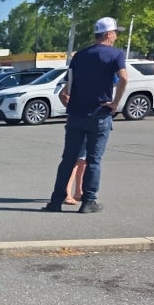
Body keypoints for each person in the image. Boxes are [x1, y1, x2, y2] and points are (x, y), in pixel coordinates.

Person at [43, 17, 129, 214]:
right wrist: (116, 102)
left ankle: (56, 201)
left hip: (76, 115)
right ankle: (89, 201)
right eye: (115, 32)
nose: (116, 36)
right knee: (93, 159)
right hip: (99, 114)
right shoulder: (115, 55)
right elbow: (123, 78)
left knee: (68, 159)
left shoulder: (79, 56)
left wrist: (67, 96)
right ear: (108, 34)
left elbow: (68, 84)